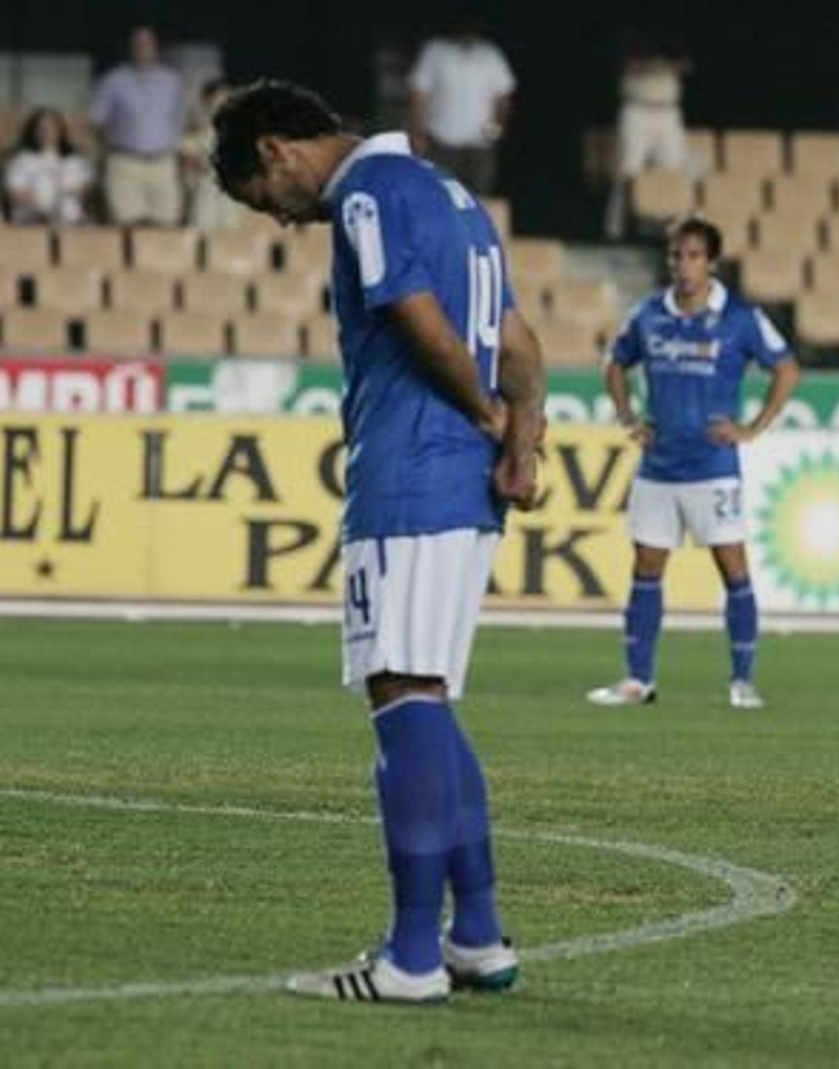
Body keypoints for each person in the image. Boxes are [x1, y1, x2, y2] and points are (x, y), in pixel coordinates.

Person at [211, 78, 547, 1002]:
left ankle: (410, 958)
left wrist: (484, 414)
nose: (283, 220)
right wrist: (520, 443)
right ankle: (475, 936)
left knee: (400, 693)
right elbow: (517, 339)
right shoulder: (453, 196)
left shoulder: (366, 194)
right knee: (427, 693)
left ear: (277, 150)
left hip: (408, 471)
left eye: (265, 199)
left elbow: (413, 315)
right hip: (465, 484)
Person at [587, 216, 800, 710]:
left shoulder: (740, 317)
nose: (683, 266)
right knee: (646, 567)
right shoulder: (648, 314)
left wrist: (752, 428)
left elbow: (787, 369)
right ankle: (638, 680)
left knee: (732, 568)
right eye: (676, 256)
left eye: (694, 256)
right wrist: (627, 416)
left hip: (713, 467)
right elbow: (614, 362)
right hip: (658, 467)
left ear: (712, 263)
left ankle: (742, 681)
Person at [407, 14, 516, 196]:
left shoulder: (490, 53)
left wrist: (499, 124)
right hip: (441, 143)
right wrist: (417, 133)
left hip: (480, 144)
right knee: (440, 196)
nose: (468, 33)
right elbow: (418, 95)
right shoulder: (435, 50)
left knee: (479, 197)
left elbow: (503, 96)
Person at [88, 25, 186, 226]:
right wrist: (105, 153)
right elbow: (95, 121)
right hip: (125, 162)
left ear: (156, 47)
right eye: (138, 43)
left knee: (167, 223)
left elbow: (180, 121)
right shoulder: (112, 80)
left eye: (148, 43)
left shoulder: (172, 81)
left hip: (163, 163)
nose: (143, 47)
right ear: (130, 47)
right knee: (126, 224)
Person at [603, 28, 693, 240]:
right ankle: (615, 229)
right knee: (628, 168)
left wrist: (660, 66)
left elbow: (686, 64)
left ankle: (668, 228)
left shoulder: (671, 39)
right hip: (637, 109)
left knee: (673, 169)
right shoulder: (629, 37)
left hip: (667, 110)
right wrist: (658, 66)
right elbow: (628, 66)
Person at [4, 108, 95, 225]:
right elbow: (15, 192)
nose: (46, 132)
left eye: (51, 127)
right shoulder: (22, 159)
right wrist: (41, 208)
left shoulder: (74, 160)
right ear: (33, 131)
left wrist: (69, 189)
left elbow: (86, 187)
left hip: (70, 221)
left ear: (60, 130)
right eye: (41, 128)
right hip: (32, 220)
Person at [181, 79, 244, 232]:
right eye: (217, 98)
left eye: (226, 98)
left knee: (231, 229)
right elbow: (187, 157)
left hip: (231, 187)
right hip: (205, 184)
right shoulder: (196, 126)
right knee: (203, 227)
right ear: (206, 100)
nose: (222, 103)